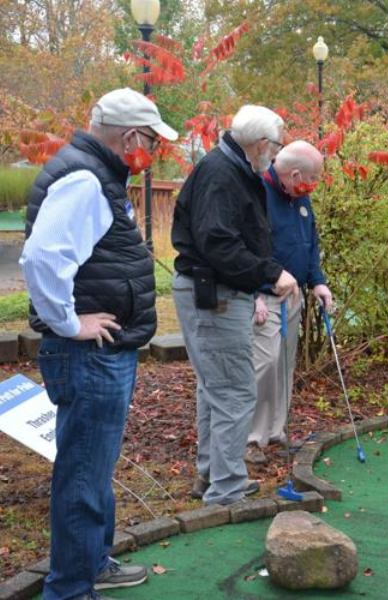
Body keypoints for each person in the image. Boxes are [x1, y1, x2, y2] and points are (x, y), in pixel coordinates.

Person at [20, 87, 178, 600]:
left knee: (93, 467)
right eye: (151, 140)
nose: (152, 150)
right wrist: (69, 324)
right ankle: (69, 589)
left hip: (102, 354)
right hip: (89, 355)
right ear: (130, 135)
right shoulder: (86, 179)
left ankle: (93, 564)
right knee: (84, 474)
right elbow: (42, 259)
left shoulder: (95, 173)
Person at [171, 105, 300, 505]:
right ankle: (225, 490)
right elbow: (219, 242)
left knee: (216, 389)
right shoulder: (222, 174)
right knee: (233, 391)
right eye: (276, 146)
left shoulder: (233, 169)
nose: (276, 155)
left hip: (220, 293)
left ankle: (213, 475)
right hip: (215, 296)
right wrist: (270, 272)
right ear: (261, 143)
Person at [245, 140, 332, 464]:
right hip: (264, 297)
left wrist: (318, 282)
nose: (312, 187)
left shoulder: (299, 197)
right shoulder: (258, 192)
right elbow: (247, 249)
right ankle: (252, 439)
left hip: (292, 296)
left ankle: (277, 433)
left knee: (284, 364)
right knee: (264, 365)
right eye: (310, 179)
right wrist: (254, 293)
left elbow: (310, 243)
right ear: (294, 174)